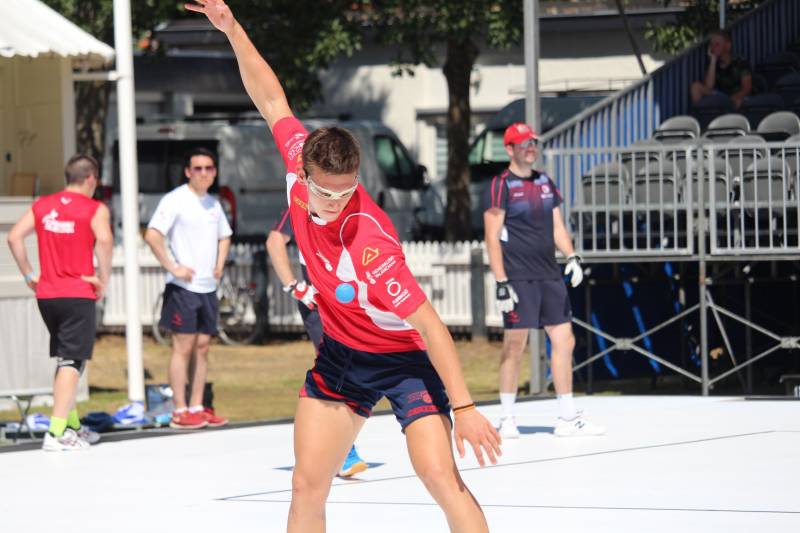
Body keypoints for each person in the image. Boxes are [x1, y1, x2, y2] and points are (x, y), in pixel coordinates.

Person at [186, 2, 501, 531]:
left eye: (347, 191)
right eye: (324, 191)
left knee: (439, 477)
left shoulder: (370, 243)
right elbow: (270, 97)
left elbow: (430, 326)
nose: (335, 202)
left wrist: (466, 407)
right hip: (341, 357)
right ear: (303, 169)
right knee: (307, 484)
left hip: (402, 363)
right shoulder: (297, 156)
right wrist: (233, 29)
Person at [484, 122, 606, 439]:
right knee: (515, 344)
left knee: (565, 340)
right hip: (518, 277)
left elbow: (557, 228)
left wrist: (573, 256)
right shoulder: (501, 185)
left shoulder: (546, 183)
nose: (531, 148)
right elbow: (492, 237)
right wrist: (500, 282)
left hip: (549, 275)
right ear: (509, 149)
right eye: (524, 143)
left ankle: (567, 417)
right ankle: (507, 418)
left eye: (533, 142)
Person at [6, 154, 112, 451]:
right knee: (72, 361)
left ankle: (70, 425)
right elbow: (104, 241)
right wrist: (103, 278)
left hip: (48, 294)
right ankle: (55, 433)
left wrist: (29, 275)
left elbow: (14, 237)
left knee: (66, 359)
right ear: (90, 178)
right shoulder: (94, 208)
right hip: (77, 292)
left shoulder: (43, 205)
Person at [267, 208, 369, 478]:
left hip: (346, 300)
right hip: (318, 302)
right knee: (337, 372)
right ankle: (343, 451)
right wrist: (293, 286)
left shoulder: (351, 203)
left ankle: (332, 448)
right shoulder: (302, 204)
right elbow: (275, 241)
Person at [144, 147, 232, 430]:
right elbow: (153, 234)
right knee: (182, 348)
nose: (204, 173)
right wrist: (173, 267)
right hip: (183, 288)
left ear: (214, 172)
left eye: (209, 168)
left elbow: (225, 236)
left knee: (203, 347)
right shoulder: (175, 200)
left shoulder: (213, 204)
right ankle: (179, 409)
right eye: (198, 168)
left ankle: (197, 405)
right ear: (188, 171)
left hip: (208, 288)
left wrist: (219, 264)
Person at [690, 29, 753, 110]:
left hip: (736, 97)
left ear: (728, 46)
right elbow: (709, 87)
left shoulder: (741, 62)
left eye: (717, 44)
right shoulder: (712, 64)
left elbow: (746, 89)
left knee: (739, 102)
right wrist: (713, 60)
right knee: (695, 87)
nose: (713, 47)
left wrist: (732, 99)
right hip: (720, 97)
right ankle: (700, 116)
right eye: (711, 44)